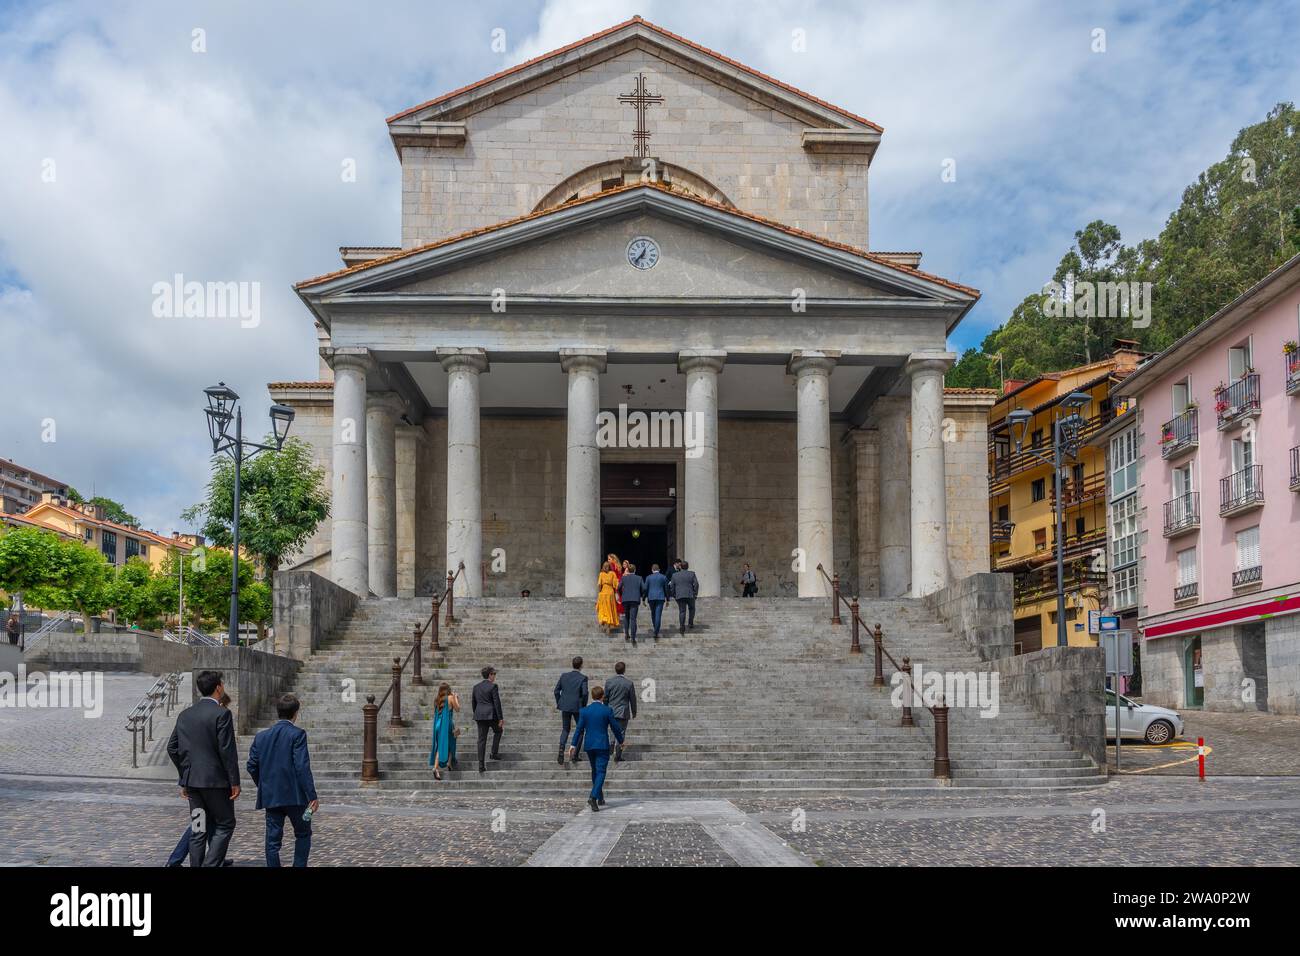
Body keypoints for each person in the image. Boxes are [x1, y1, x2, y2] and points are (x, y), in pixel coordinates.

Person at [166, 670, 241, 867]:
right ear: (218, 687)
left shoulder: (185, 714)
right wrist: (234, 781)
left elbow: (172, 747)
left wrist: (184, 775)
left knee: (198, 827)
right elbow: (227, 750)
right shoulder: (222, 714)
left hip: (193, 783)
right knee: (225, 823)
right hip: (215, 783)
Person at [246, 693, 319, 868]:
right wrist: (312, 795)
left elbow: (251, 765)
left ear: (278, 712)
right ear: (296, 713)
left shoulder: (261, 736)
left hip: (272, 796)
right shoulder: (298, 734)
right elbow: (301, 767)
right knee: (303, 834)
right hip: (296, 796)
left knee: (272, 841)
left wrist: (264, 784)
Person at [568, 685, 624, 811]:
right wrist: (621, 741)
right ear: (602, 696)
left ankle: (600, 796)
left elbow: (579, 729)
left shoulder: (584, 711)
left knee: (595, 770)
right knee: (601, 771)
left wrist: (573, 745)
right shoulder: (607, 710)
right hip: (602, 744)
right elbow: (615, 727)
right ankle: (593, 797)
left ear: (592, 696)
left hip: (589, 745)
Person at [553, 656, 588, 765]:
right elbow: (585, 693)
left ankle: (561, 750)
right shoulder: (583, 678)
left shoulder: (564, 676)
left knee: (565, 729)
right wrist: (583, 705)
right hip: (577, 707)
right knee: (580, 730)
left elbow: (556, 691)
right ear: (581, 665)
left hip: (565, 706)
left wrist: (560, 702)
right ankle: (575, 755)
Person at [471, 665, 504, 774]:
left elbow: (473, 703)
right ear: (490, 675)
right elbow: (497, 703)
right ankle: (494, 753)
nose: (495, 676)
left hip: (480, 715)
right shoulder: (493, 686)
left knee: (481, 740)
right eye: (494, 674)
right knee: (499, 730)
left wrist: (477, 713)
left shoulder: (476, 687)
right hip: (491, 715)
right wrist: (501, 718)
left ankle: (481, 765)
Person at [604, 661, 637, 763]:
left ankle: (611, 743)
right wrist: (634, 711)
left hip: (611, 711)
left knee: (612, 730)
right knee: (621, 733)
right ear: (624, 670)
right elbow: (633, 699)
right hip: (623, 712)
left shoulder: (609, 682)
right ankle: (618, 755)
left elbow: (605, 697)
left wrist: (605, 708)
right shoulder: (629, 683)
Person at [428, 682, 460, 780]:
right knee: (451, 743)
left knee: (443, 744)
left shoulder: (437, 699)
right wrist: (456, 698)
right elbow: (458, 709)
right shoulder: (450, 698)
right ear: (448, 689)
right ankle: (438, 767)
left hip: (437, 725)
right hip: (446, 725)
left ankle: (447, 763)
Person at [618, 563, 645, 645]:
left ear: (628, 570)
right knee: (633, 619)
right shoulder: (639, 578)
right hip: (634, 599)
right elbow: (644, 588)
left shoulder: (624, 578)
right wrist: (640, 595)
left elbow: (619, 587)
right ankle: (633, 637)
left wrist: (622, 594)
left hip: (625, 599)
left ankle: (626, 633)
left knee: (626, 617)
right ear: (635, 570)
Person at [671, 560, 700, 634]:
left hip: (680, 595)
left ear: (680, 566)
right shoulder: (692, 574)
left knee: (682, 611)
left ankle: (682, 626)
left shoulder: (675, 575)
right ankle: (690, 623)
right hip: (690, 594)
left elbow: (672, 586)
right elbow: (696, 584)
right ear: (688, 567)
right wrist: (695, 593)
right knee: (692, 608)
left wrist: (674, 595)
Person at [644, 564, 669, 641]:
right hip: (660, 597)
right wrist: (668, 599)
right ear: (659, 569)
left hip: (651, 597)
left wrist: (643, 598)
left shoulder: (648, 577)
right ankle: (656, 631)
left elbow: (645, 589)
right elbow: (666, 589)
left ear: (652, 569)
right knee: (658, 614)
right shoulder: (663, 577)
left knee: (653, 614)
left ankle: (655, 629)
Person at [596, 561, 619, 632]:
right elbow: (616, 584)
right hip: (610, 592)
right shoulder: (612, 573)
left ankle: (603, 621)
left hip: (603, 592)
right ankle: (608, 625)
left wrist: (600, 592)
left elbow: (599, 584)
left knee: (603, 608)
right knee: (610, 609)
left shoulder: (601, 574)